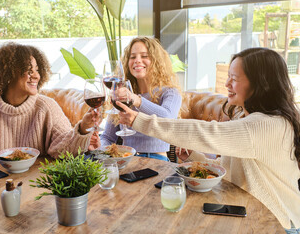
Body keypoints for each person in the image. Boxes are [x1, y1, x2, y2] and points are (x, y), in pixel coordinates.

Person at [117, 47, 300, 232]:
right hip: (247, 214)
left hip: (278, 224)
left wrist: (139, 120)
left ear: (261, 84)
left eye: (234, 79)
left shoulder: (268, 125)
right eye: (228, 76)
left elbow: (206, 132)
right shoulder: (245, 116)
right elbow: (228, 169)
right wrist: (194, 157)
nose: (227, 83)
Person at [0, 42, 100, 180]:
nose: (36, 76)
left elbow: (64, 149)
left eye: (37, 70)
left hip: (39, 184)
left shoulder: (46, 106)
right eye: (29, 71)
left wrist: (83, 128)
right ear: (7, 75)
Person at [100, 37, 182, 161]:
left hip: (156, 161)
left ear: (156, 61)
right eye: (132, 57)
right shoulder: (123, 95)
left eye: (144, 56)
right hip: (126, 159)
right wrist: (101, 149)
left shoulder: (170, 92)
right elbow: (107, 137)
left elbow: (168, 118)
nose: (137, 61)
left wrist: (137, 100)